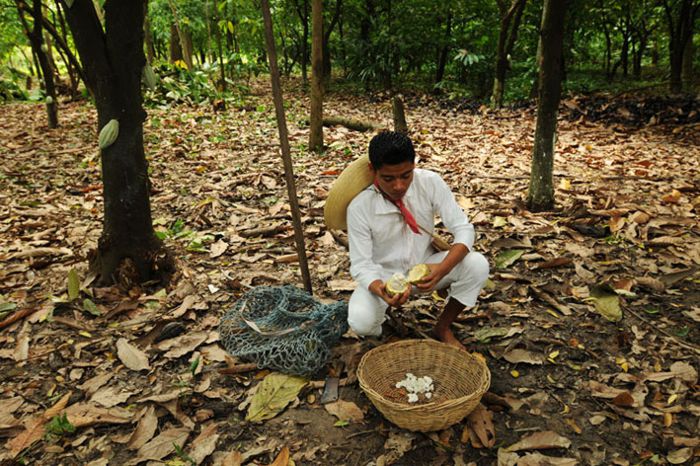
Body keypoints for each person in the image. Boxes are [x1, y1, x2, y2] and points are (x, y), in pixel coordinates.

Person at [345, 131, 489, 349]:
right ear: (372, 170)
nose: (399, 186)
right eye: (388, 178)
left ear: (414, 164)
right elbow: (361, 265)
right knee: (361, 321)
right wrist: (379, 289)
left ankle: (443, 326)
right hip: (384, 275)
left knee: (477, 264)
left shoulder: (429, 183)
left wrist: (441, 269)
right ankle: (387, 328)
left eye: (406, 175)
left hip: (427, 264)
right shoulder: (360, 207)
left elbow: (464, 230)